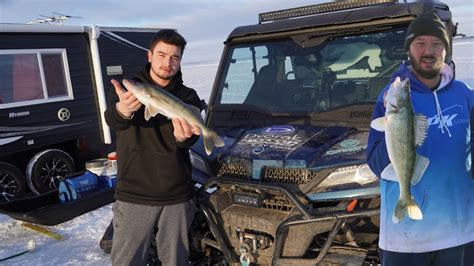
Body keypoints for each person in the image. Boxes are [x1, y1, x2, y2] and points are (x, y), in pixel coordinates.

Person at [366, 12, 474, 266]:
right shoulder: (392, 96)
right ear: (409, 50)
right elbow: (376, 164)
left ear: (446, 51)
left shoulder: (465, 95)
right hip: (405, 236)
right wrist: (395, 130)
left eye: (437, 44)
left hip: (461, 230)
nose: (429, 51)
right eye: (420, 44)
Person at [104, 29, 202, 265]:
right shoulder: (128, 91)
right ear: (149, 55)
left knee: (175, 260)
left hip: (177, 195)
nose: (168, 63)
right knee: (126, 260)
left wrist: (184, 137)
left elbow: (189, 140)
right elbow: (113, 120)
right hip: (135, 193)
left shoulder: (188, 96)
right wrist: (123, 110)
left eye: (175, 57)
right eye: (162, 54)